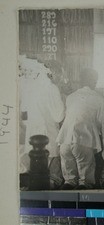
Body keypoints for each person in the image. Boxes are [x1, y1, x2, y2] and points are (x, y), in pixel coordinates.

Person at [19, 56, 65, 189]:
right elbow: (59, 116)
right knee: (52, 178)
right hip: (48, 138)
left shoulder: (31, 87)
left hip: (32, 139)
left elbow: (24, 114)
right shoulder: (51, 88)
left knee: (34, 176)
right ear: (53, 73)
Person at [56, 68, 104, 190]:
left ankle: (66, 201)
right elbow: (100, 122)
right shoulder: (98, 98)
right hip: (83, 140)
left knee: (69, 181)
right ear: (94, 81)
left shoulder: (71, 97)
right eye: (95, 80)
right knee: (85, 182)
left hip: (64, 141)